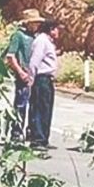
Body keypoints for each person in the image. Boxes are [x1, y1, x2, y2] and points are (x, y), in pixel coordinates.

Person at [3, 9, 43, 143]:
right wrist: (20, 72)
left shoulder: (35, 37)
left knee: (34, 105)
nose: (37, 25)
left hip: (34, 75)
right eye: (34, 23)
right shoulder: (19, 36)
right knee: (21, 104)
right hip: (24, 75)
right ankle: (16, 131)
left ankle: (30, 131)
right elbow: (11, 56)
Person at [26, 20, 61, 156]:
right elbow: (35, 61)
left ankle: (43, 138)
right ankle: (38, 139)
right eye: (56, 29)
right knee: (40, 108)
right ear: (51, 29)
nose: (58, 32)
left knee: (46, 108)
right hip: (41, 79)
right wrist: (31, 78)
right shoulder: (42, 41)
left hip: (46, 79)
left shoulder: (46, 41)